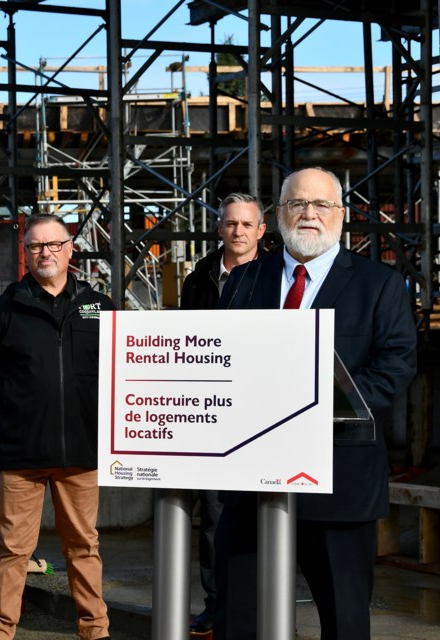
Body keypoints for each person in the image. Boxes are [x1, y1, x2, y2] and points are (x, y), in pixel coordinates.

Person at [213, 167, 417, 639]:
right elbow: (222, 359)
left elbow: (395, 367)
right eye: (297, 204)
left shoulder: (378, 284)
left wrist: (311, 409)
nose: (309, 214)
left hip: (338, 481)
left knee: (344, 621)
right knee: (237, 617)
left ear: (341, 215)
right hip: (252, 483)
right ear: (278, 214)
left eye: (322, 204)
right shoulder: (244, 281)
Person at [0, 213, 114, 640]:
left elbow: (118, 369)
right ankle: (0, 634)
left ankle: (95, 631)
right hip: (23, 454)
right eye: (35, 246)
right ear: (25, 253)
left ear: (70, 249)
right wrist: (23, 403)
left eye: (53, 244)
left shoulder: (100, 307)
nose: (45, 253)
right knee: (12, 551)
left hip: (82, 452)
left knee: (84, 548)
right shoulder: (1, 311)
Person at [179, 193, 265, 635]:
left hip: (260, 409)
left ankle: (256, 602)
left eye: (247, 225)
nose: (238, 232)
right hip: (209, 413)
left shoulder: (275, 277)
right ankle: (216, 603)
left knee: (265, 513)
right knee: (213, 514)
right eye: (231, 224)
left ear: (261, 231)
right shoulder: (199, 279)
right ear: (220, 229)